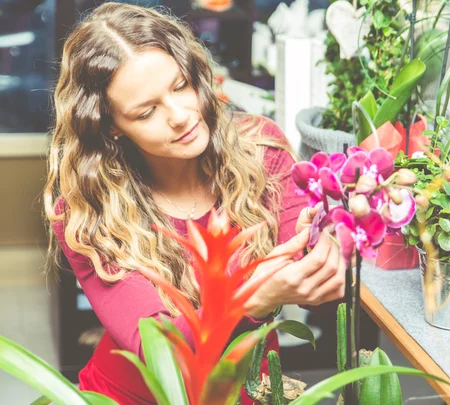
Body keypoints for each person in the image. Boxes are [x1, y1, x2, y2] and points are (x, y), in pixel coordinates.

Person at [43, 3, 345, 404]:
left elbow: (310, 267)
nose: (181, 116)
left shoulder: (261, 151)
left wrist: (328, 240)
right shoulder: (89, 211)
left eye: (181, 85)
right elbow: (160, 353)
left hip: (246, 390)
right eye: (147, 111)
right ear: (111, 126)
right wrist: (252, 301)